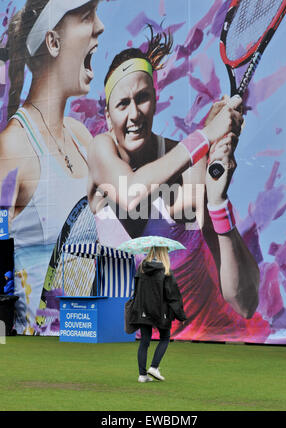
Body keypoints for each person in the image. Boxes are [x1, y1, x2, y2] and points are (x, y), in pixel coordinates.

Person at [88, 27, 263, 342]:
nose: (134, 113)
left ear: (155, 100)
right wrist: (205, 136)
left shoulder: (189, 164)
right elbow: (130, 192)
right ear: (107, 115)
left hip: (199, 341)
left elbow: (245, 303)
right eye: (122, 104)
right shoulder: (102, 151)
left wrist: (217, 200)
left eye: (142, 98)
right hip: (124, 341)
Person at [0, 0, 104, 334]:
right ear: (53, 42)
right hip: (35, 347)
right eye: (87, 17)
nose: (100, 26)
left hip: (87, 337)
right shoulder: (12, 147)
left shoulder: (81, 137)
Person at [129, 246, 186, 382]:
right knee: (165, 338)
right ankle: (154, 367)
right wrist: (181, 315)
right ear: (164, 253)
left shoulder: (141, 269)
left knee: (144, 342)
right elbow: (173, 296)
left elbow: (136, 291)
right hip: (162, 312)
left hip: (143, 310)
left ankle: (142, 375)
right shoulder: (166, 271)